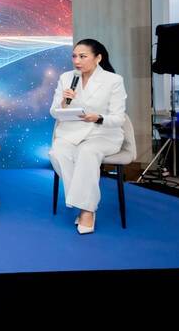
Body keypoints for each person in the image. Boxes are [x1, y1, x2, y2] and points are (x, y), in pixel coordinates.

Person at [48, 39, 127, 235]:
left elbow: (118, 118)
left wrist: (98, 117)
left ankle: (87, 210)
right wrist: (64, 102)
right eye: (74, 56)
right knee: (57, 153)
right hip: (72, 131)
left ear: (98, 58)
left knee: (87, 152)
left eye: (83, 56)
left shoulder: (113, 80)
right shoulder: (66, 77)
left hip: (103, 133)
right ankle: (83, 200)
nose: (77, 61)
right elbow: (54, 112)